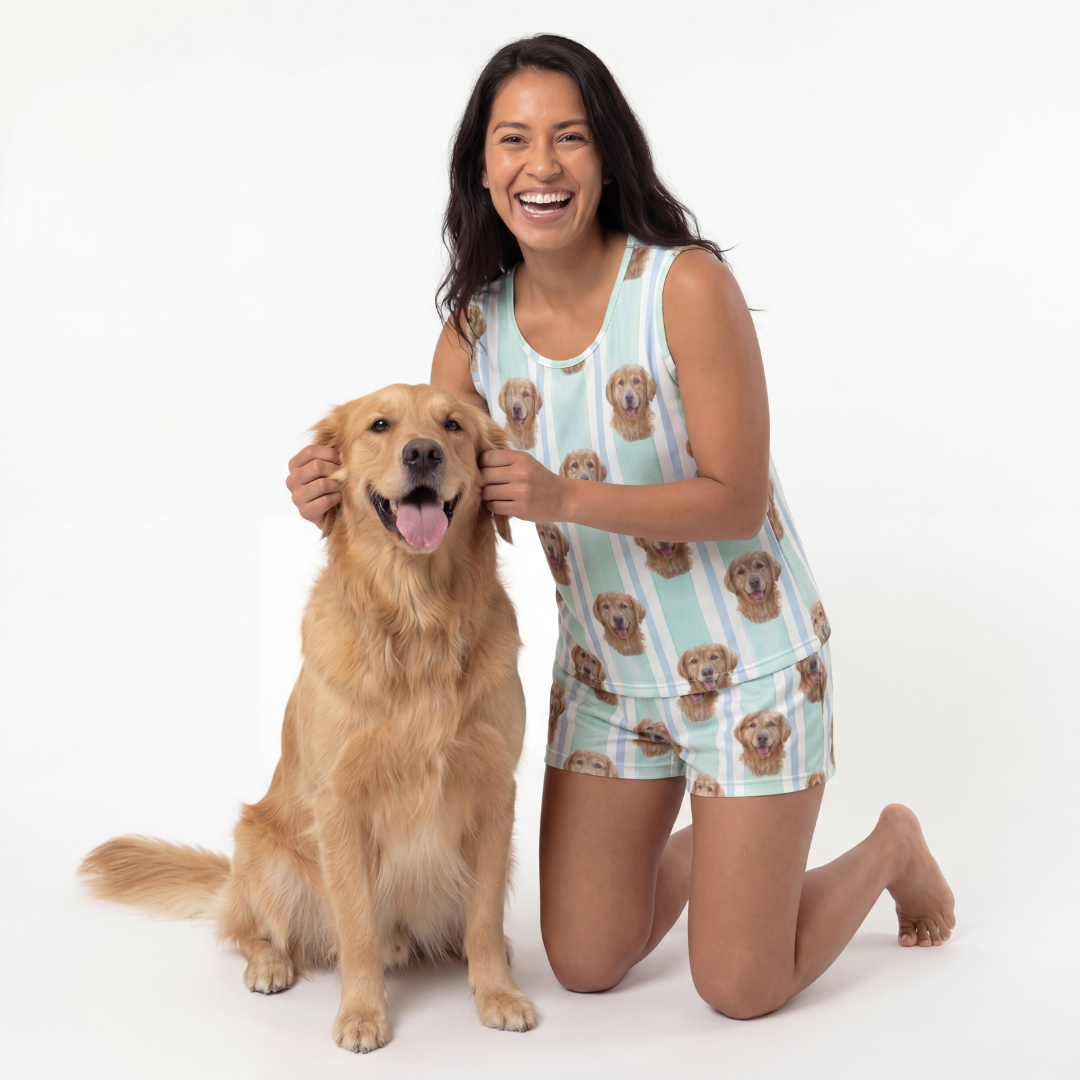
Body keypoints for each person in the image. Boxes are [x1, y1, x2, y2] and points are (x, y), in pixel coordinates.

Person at [285, 34, 955, 1019]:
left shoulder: (683, 288)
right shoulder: (475, 329)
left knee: (740, 985)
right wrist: (329, 491)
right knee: (588, 962)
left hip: (749, 663)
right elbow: (426, 483)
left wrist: (564, 499)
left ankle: (892, 843)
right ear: (484, 166)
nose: (541, 165)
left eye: (570, 138)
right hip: (608, 676)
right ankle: (735, 861)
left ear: (610, 157)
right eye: (514, 140)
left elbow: (734, 498)